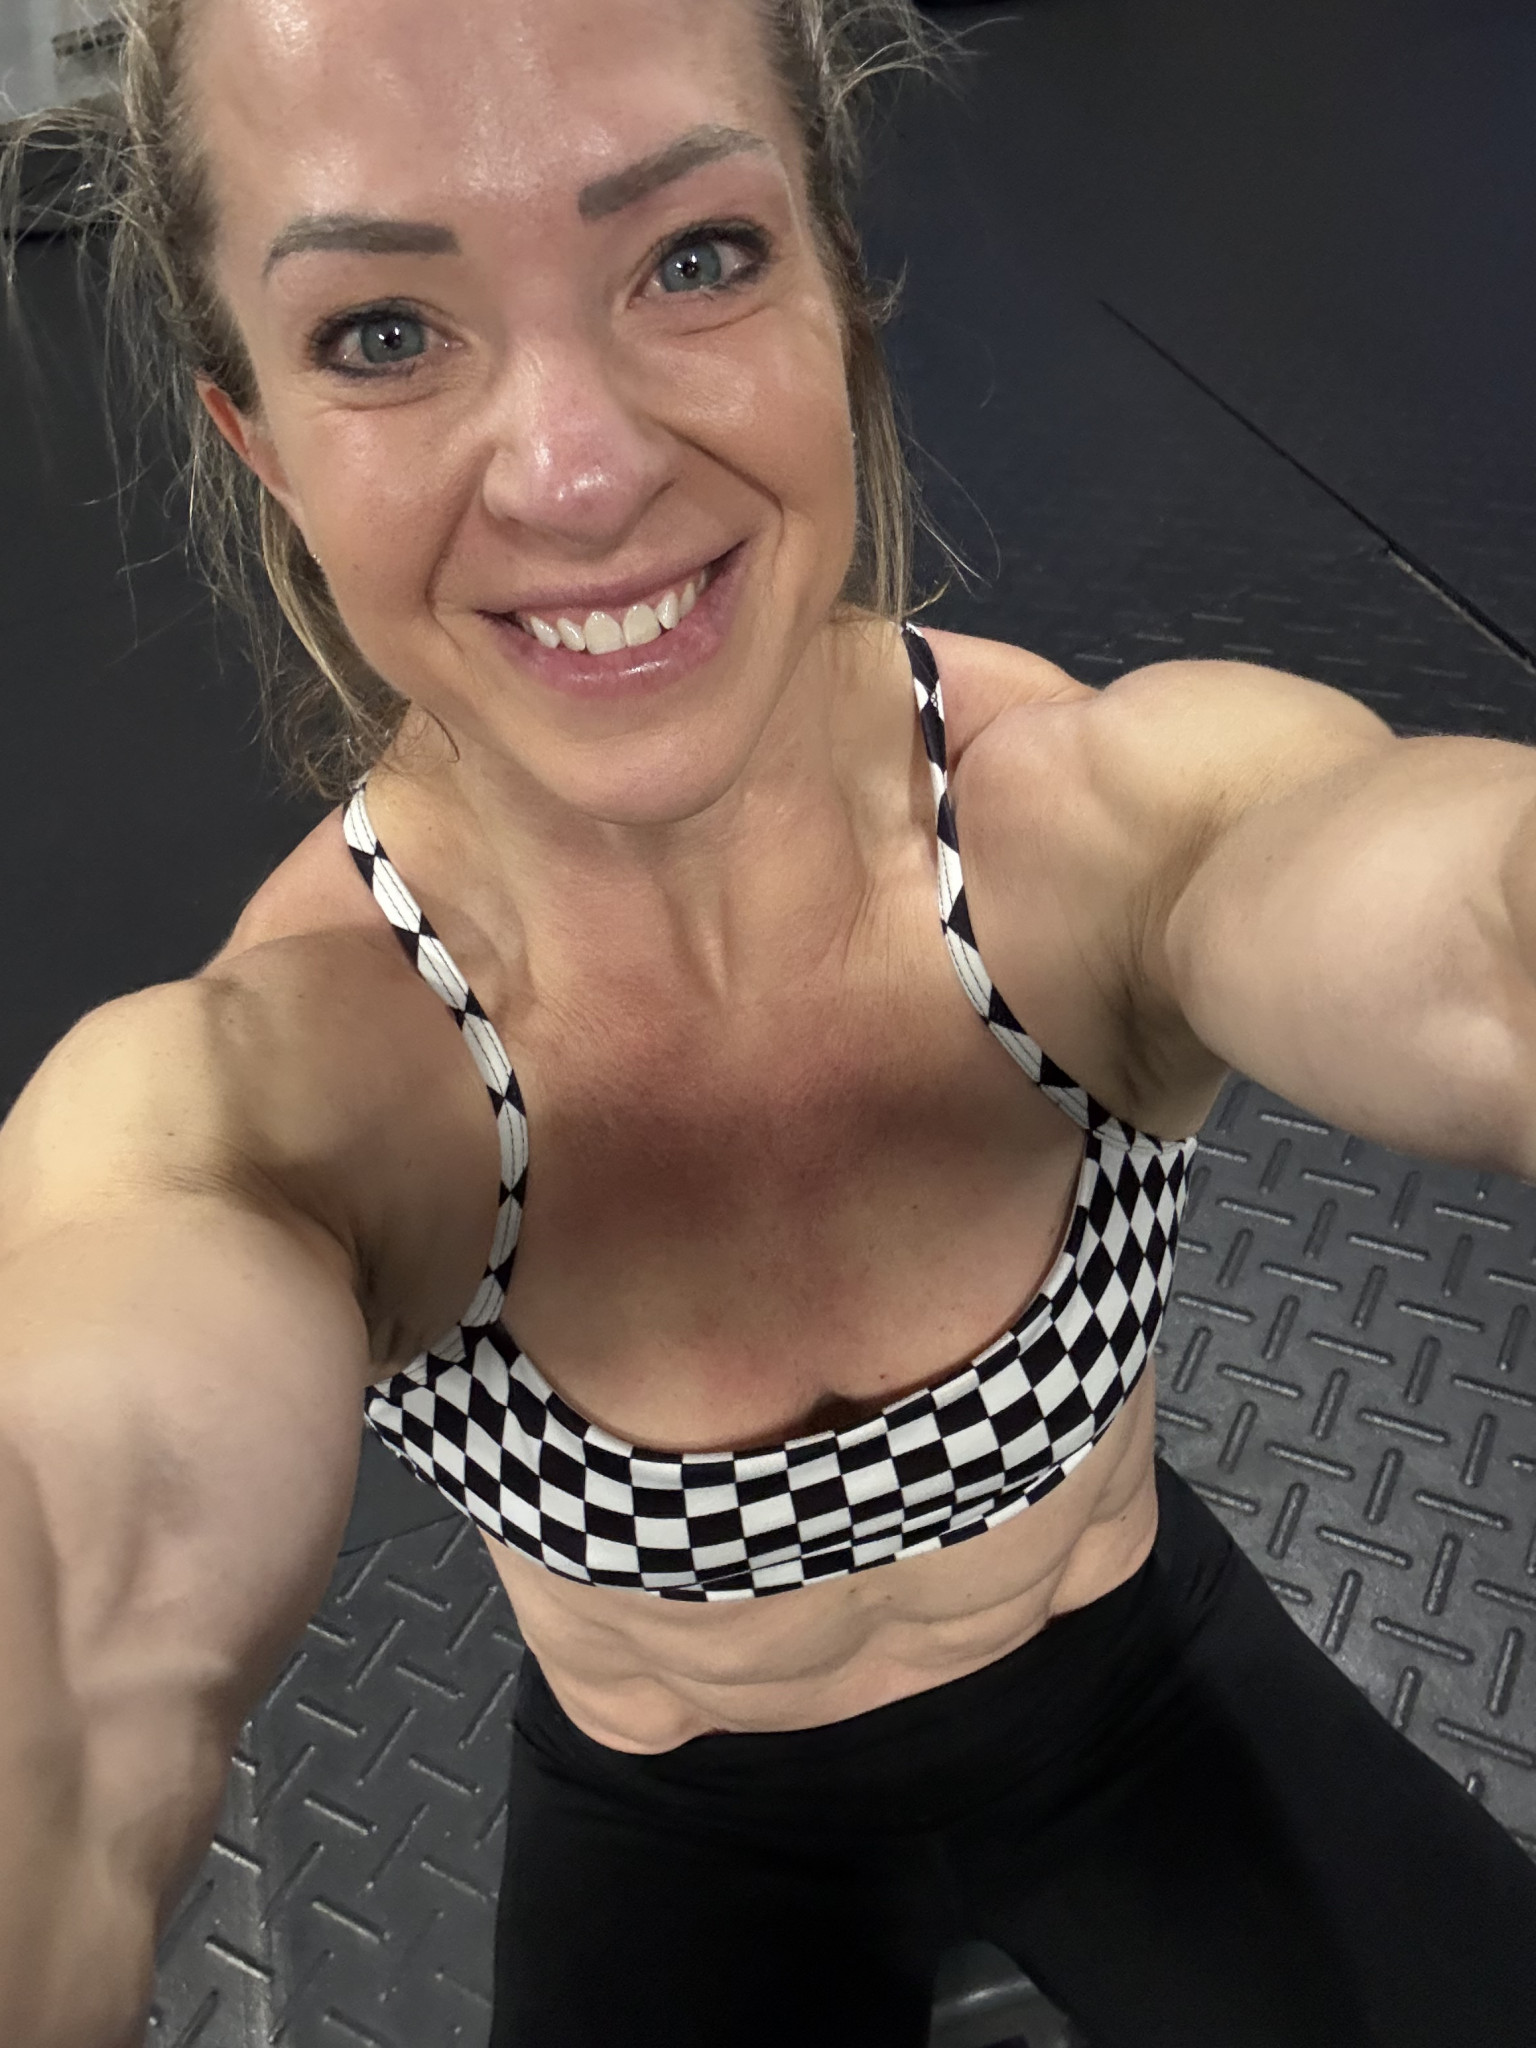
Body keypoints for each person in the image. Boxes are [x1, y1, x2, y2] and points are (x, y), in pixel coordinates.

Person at [2, 0, 1535, 2043]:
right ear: (261, 436)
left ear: (837, 289)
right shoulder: (268, 1090)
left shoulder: (1094, 831)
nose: (580, 472)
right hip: (676, 1810)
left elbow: (1467, 931)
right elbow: (76, 1619)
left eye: (696, 256)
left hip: (1136, 1680)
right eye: (381, 331)